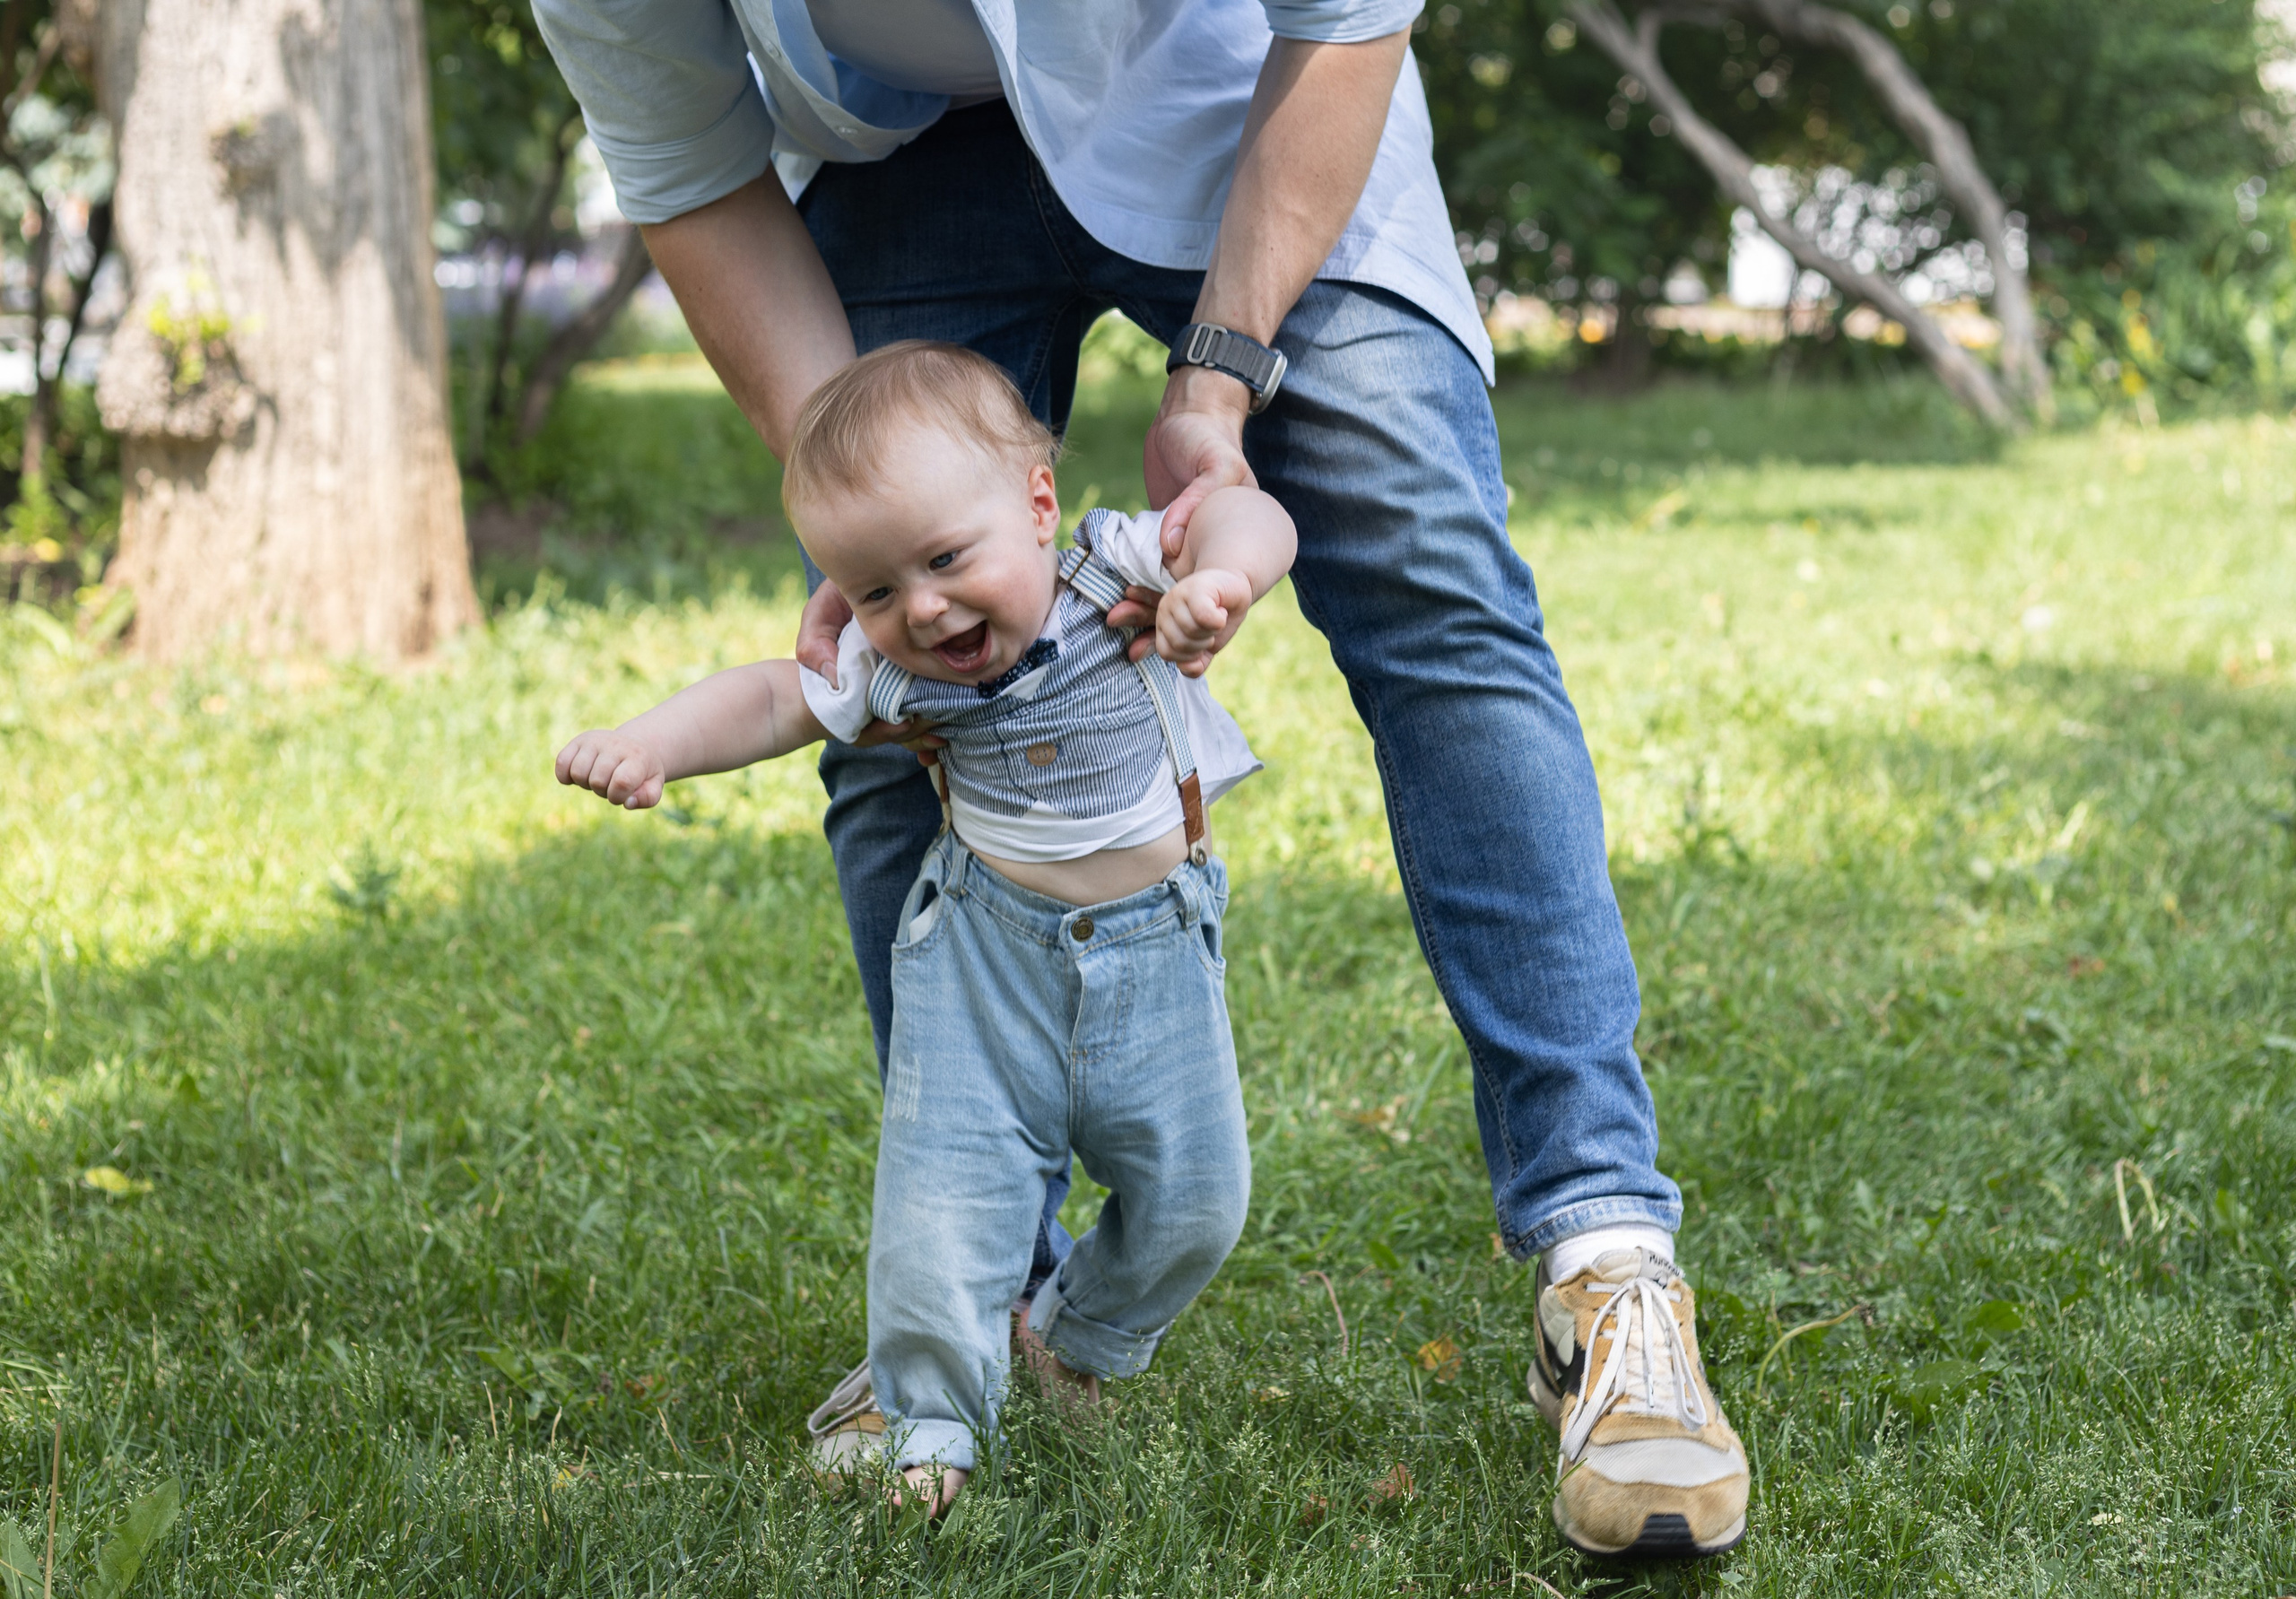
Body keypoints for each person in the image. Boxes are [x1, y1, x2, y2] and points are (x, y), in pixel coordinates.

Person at [533, 0, 1749, 1558]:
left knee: (1429, 578)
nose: (925, 603)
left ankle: (1605, 1262)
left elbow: (1348, 21)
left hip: (1249, 93)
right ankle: (988, 1304)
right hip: (899, 155)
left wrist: (1220, 398)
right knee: (898, 720)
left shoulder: (1114, 552)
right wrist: (865, 526)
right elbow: (691, 164)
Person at [555, 343, 1297, 1515]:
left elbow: (1247, 517)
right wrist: (653, 743)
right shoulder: (892, 668)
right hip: (981, 956)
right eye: (875, 591)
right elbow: (774, 694)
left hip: (1156, 946)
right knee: (942, 1202)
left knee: (1198, 1201)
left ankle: (1073, 1335)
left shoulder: (1111, 569)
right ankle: (928, 1425)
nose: (924, 608)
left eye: (948, 559)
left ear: (1038, 506)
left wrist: (1226, 579)